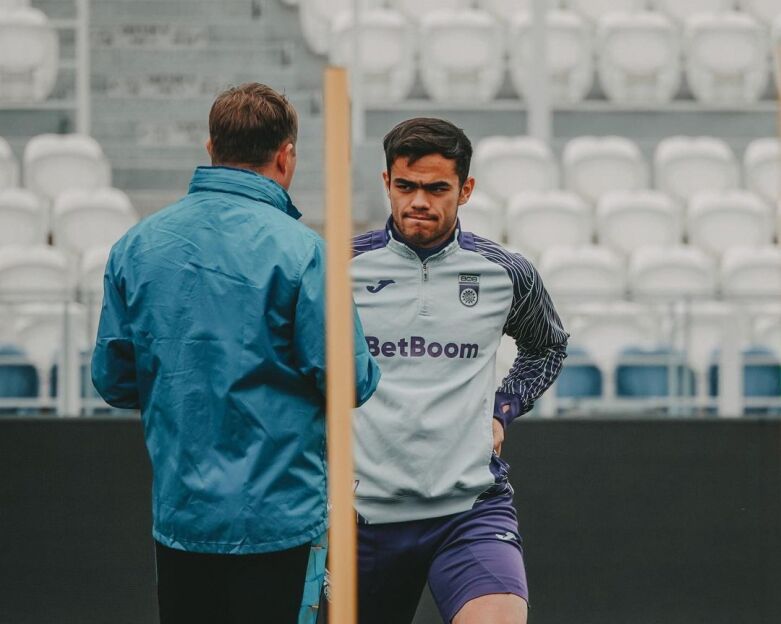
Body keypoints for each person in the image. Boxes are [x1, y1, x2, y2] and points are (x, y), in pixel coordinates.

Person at [91, 82, 381, 624]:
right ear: (286, 156)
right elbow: (351, 382)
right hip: (280, 521)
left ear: (210, 148)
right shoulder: (305, 253)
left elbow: (113, 381)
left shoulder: (136, 246)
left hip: (182, 517)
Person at [349, 118, 568, 624]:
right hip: (362, 515)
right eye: (405, 186)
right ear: (386, 182)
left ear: (465, 190)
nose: (418, 201)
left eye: (436, 189)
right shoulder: (338, 268)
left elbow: (547, 346)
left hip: (470, 509)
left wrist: (502, 410)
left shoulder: (505, 272)